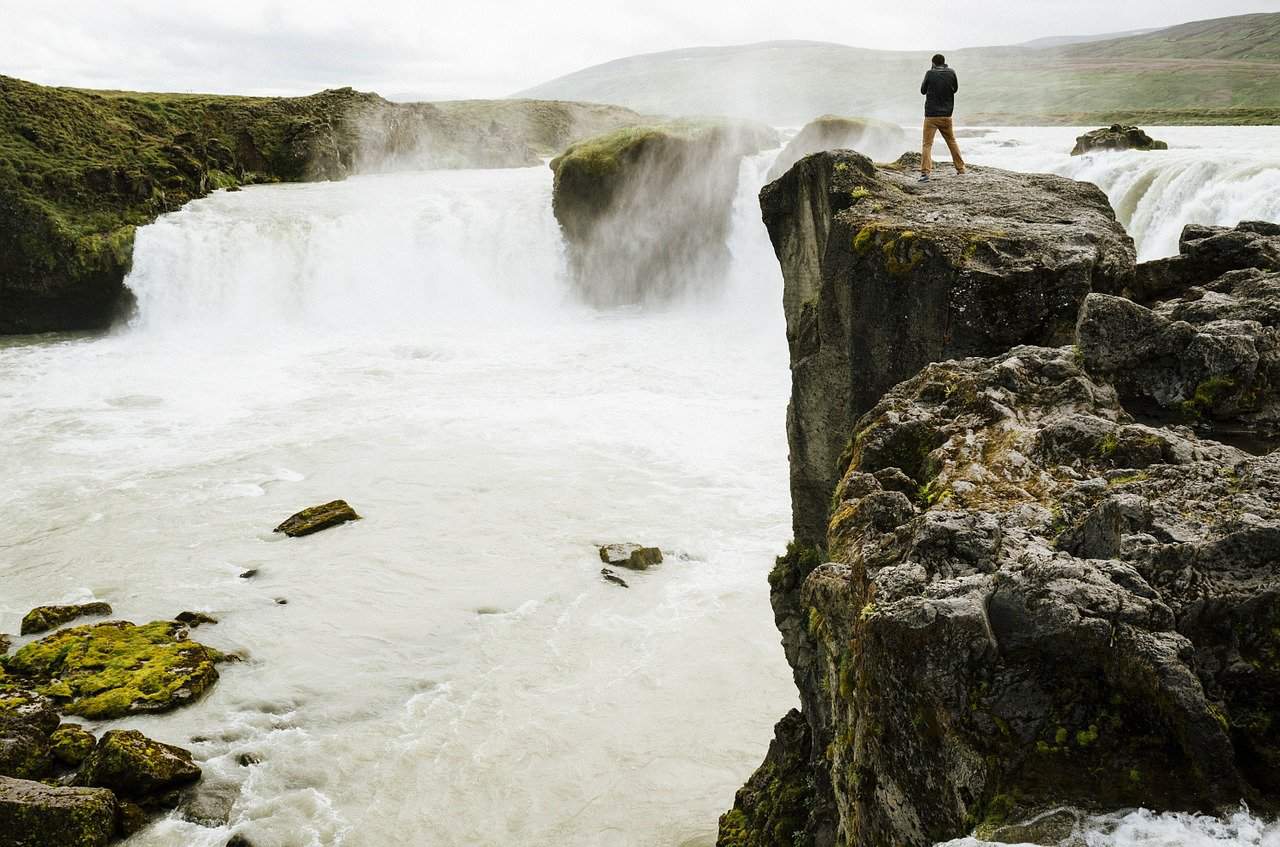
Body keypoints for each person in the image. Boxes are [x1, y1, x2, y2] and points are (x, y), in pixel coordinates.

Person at [919, 53, 965, 182]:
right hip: (946, 115)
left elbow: (923, 90)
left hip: (931, 116)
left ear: (933, 63)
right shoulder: (951, 72)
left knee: (927, 144)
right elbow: (955, 89)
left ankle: (925, 174)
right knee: (951, 141)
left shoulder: (929, 73)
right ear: (944, 62)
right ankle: (961, 169)